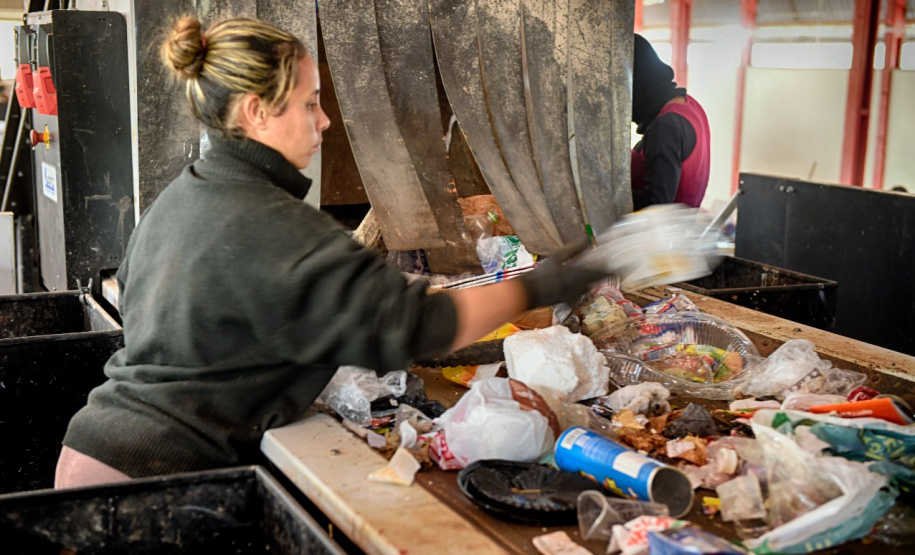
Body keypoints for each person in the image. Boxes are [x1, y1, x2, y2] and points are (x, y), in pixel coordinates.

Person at [55, 16, 609, 488]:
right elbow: (421, 325)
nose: (323, 120)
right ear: (256, 112)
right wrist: (538, 287)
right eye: (310, 103)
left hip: (95, 452)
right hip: (156, 478)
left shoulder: (184, 195)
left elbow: (146, 302)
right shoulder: (272, 224)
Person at [630, 34, 710, 211]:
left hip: (655, 237)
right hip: (678, 233)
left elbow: (657, 203)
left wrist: (608, 192)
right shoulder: (687, 104)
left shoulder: (665, 127)